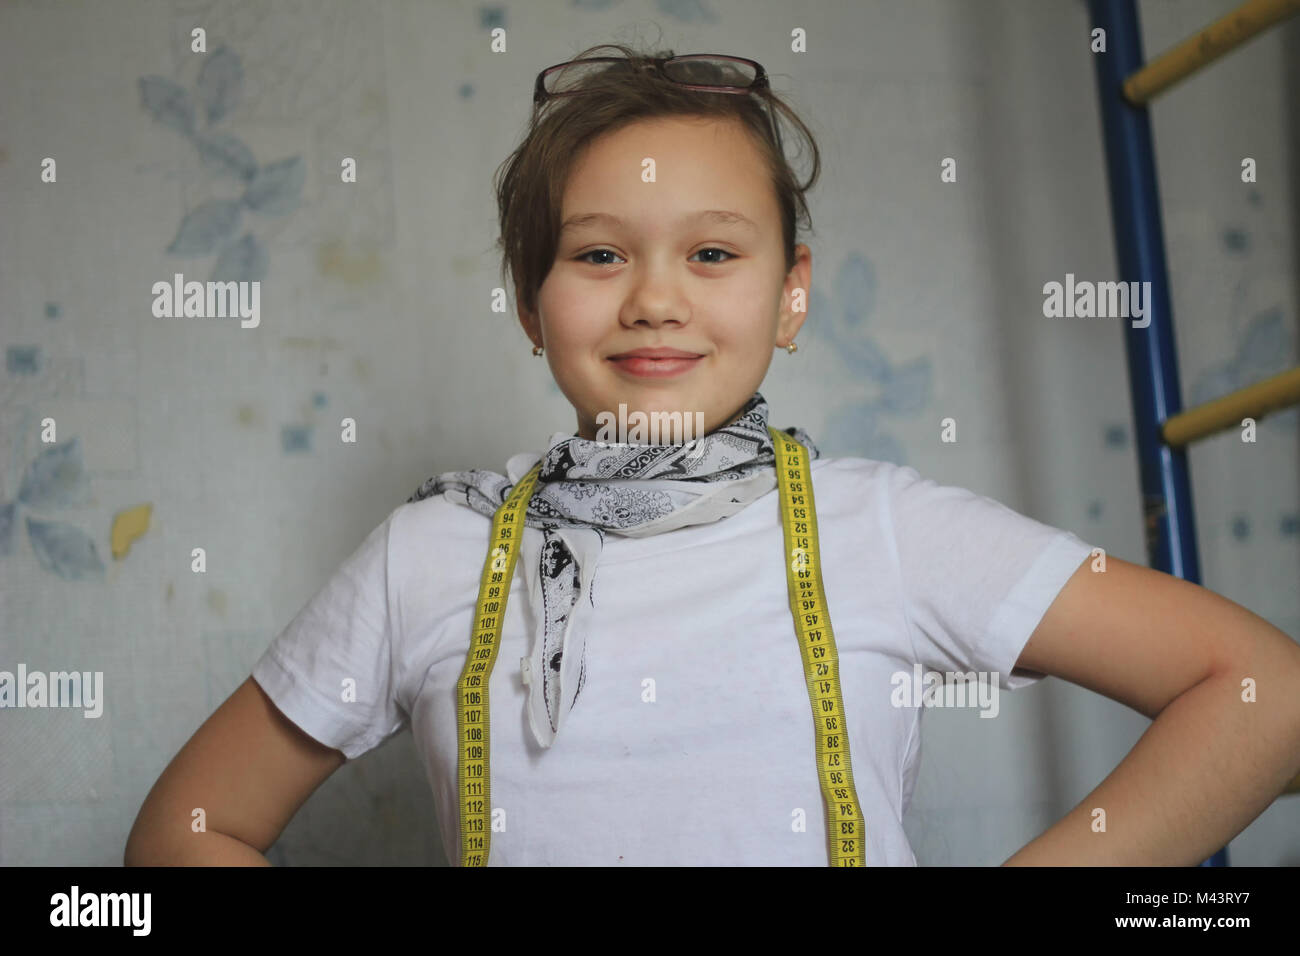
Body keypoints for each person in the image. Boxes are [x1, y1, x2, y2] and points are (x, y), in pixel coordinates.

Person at [125, 43, 1300, 867]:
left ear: (791, 297)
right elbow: (181, 829)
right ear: (530, 304)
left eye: (713, 254)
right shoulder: (431, 553)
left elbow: (1265, 696)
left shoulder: (884, 530)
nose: (652, 300)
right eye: (595, 256)